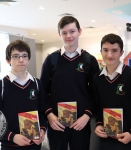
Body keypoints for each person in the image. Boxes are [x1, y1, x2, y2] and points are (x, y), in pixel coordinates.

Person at [40, 16, 99, 150]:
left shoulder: (90, 60)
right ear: (59, 34)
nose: (68, 36)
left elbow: (96, 94)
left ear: (79, 31)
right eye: (64, 32)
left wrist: (86, 116)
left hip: (80, 123)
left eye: (72, 31)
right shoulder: (51, 60)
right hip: (56, 123)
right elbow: (42, 92)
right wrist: (49, 115)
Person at [93, 33, 131, 150]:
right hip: (107, 140)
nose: (109, 54)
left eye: (114, 50)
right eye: (106, 50)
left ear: (121, 53)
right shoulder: (97, 78)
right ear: (101, 51)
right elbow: (98, 107)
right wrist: (98, 125)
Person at [0, 40, 47, 150]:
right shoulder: (2, 86)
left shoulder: (37, 83)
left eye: (24, 56)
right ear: (8, 60)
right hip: (10, 145)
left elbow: (42, 112)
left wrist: (42, 130)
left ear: (29, 59)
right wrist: (12, 137)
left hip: (34, 145)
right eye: (16, 56)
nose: (21, 60)